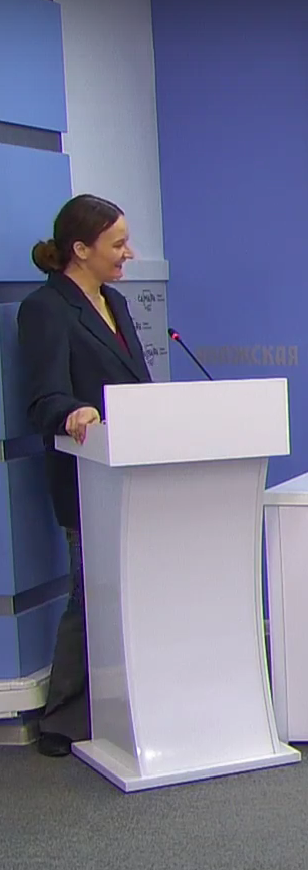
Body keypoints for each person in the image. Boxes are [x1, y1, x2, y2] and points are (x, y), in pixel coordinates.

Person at [18, 194, 152, 758]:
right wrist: (74, 412)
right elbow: (44, 397)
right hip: (87, 476)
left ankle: (124, 701)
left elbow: (135, 387)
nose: (129, 253)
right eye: (117, 244)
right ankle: (63, 718)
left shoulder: (114, 301)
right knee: (89, 592)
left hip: (135, 470)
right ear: (80, 249)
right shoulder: (46, 309)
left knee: (122, 592)